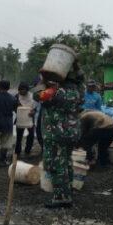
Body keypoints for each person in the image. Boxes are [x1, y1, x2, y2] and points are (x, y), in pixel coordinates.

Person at [36, 55, 84, 208]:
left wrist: (43, 80)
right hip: (72, 132)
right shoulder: (78, 92)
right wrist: (76, 65)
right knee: (66, 161)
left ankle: (61, 197)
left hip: (56, 134)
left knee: (55, 164)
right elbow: (81, 79)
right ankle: (67, 191)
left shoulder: (54, 93)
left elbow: (36, 95)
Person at [14, 82, 36, 156]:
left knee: (31, 135)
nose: (22, 92)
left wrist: (34, 111)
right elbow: (13, 106)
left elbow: (36, 107)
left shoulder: (32, 96)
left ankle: (28, 150)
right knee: (19, 136)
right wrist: (18, 108)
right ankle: (17, 151)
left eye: (23, 90)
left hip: (30, 118)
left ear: (27, 90)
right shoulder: (17, 97)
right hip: (20, 118)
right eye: (20, 90)